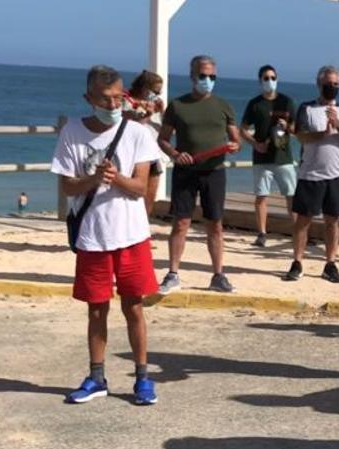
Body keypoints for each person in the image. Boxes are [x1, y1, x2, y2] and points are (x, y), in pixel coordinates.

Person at [51, 65, 162, 405]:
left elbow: (141, 187)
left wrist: (116, 178)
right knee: (96, 309)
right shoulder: (72, 131)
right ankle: (96, 375)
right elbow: (67, 185)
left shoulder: (138, 133)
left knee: (135, 307)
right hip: (92, 235)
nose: (113, 105)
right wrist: (94, 179)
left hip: (131, 236)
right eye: (105, 99)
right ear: (89, 98)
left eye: (118, 98)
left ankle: (143, 377)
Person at [157, 55, 241, 294]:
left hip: (214, 172)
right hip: (186, 171)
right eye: (203, 75)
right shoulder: (177, 105)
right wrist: (175, 154)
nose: (207, 80)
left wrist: (235, 146)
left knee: (215, 224)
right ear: (192, 76)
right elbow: (162, 139)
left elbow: (236, 140)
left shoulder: (223, 105)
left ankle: (218, 275)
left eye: (212, 76)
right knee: (181, 223)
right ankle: (173, 274)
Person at [285, 65, 339, 284]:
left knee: (332, 221)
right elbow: (301, 136)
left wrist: (338, 124)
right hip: (310, 174)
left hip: (335, 175)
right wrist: (322, 133)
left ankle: (330, 263)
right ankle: (297, 262)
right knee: (303, 221)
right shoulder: (307, 108)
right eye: (328, 84)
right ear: (319, 84)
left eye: (336, 84)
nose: (332, 87)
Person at [240, 64, 297, 248]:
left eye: (273, 77)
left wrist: (287, 126)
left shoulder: (287, 102)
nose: (270, 81)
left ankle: (297, 232)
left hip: (283, 157)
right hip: (262, 158)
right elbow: (243, 129)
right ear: (260, 81)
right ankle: (262, 233)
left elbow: (297, 130)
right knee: (261, 196)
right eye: (266, 78)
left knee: (291, 196)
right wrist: (255, 143)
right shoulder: (255, 104)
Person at [125, 70, 165, 218]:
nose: (157, 96)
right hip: (132, 157)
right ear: (144, 88)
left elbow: (168, 129)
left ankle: (143, 228)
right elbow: (130, 128)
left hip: (153, 156)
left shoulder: (154, 105)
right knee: (131, 199)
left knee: (149, 199)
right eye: (155, 92)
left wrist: (162, 112)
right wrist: (147, 115)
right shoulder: (126, 102)